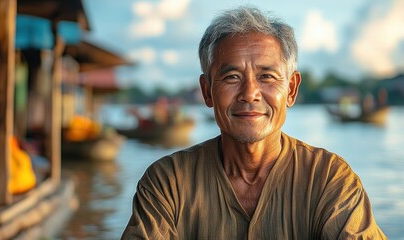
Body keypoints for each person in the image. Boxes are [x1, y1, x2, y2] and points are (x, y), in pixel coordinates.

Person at [122, 6, 386, 239]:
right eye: (232, 77)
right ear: (207, 91)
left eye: (267, 76)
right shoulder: (168, 183)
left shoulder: (330, 180)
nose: (249, 93)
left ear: (291, 90)